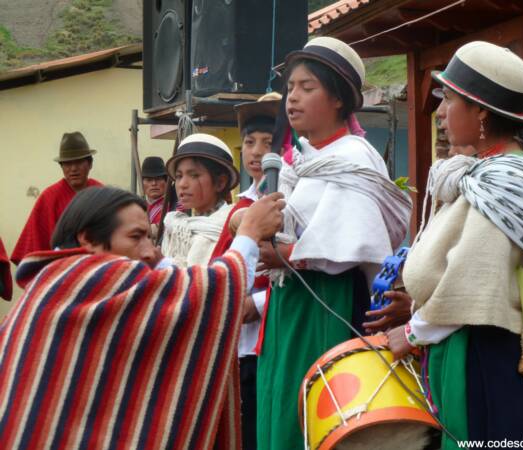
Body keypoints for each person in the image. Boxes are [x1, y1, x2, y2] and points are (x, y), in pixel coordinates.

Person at [386, 41, 523, 447]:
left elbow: (472, 287)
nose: (442, 113)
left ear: (480, 110)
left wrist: (413, 332)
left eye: (448, 99)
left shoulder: (503, 186)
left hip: (482, 356)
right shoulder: (490, 176)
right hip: (479, 350)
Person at [0, 186, 284, 449]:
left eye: (149, 236)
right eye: (136, 237)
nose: (149, 250)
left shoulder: (54, 281)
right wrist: (249, 232)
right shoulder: (95, 278)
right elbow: (209, 294)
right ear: (87, 239)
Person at [255, 37, 413, 450]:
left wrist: (285, 254)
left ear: (339, 98)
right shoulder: (302, 163)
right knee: (282, 401)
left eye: (308, 88)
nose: (293, 98)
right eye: (290, 88)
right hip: (290, 304)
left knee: (313, 413)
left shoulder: (354, 159)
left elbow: (357, 243)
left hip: (327, 305)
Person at [210, 92, 281, 450]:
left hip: (272, 334)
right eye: (249, 142)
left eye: (267, 142)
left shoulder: (287, 199)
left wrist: (257, 301)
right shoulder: (242, 206)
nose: (255, 151)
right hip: (241, 341)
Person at [10, 131, 102, 265]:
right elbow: (31, 248)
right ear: (62, 167)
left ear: (90, 164)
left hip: (96, 268)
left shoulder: (101, 194)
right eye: (68, 164)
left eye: (79, 162)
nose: (73, 169)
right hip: (58, 271)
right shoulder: (49, 197)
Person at [161, 133, 240, 267]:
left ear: (220, 182)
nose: (182, 184)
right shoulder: (175, 226)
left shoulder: (234, 226)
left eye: (194, 175)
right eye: (179, 176)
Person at [141, 156, 168, 225]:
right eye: (149, 180)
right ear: (142, 183)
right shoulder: (138, 206)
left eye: (158, 179)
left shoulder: (174, 204)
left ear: (166, 182)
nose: (154, 183)